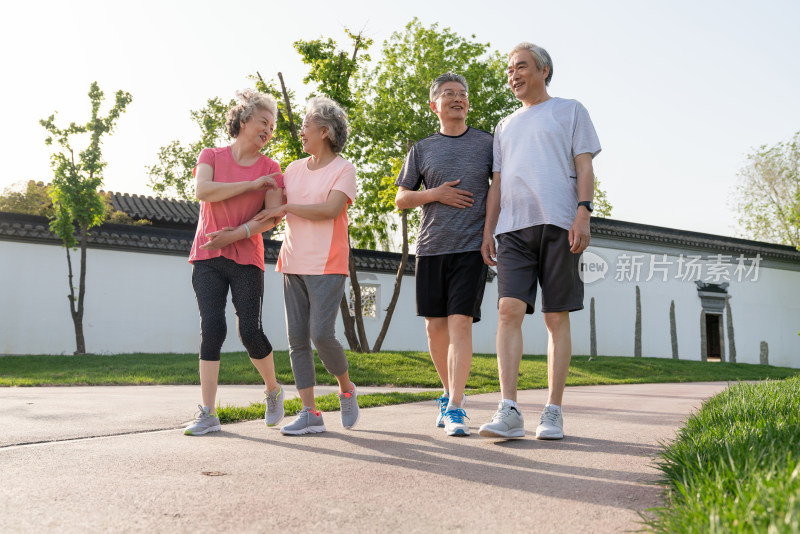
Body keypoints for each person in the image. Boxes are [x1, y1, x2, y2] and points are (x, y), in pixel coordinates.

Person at [203, 96, 360, 435]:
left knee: (321, 335)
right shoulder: (291, 169)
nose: (299, 132)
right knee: (297, 340)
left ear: (325, 131)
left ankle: (346, 388)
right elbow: (270, 208)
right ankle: (310, 411)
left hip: (327, 264)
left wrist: (286, 210)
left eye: (305, 126)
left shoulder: (343, 169)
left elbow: (330, 210)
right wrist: (240, 228)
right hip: (292, 261)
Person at [478, 42, 601, 440]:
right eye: (509, 70)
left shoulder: (570, 110)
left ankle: (552, 410)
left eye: (521, 67)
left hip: (560, 222)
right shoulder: (504, 125)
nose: (513, 75)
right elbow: (496, 183)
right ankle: (510, 409)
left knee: (554, 316)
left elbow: (585, 165)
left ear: (543, 70)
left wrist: (583, 211)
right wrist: (488, 230)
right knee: (508, 310)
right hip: (513, 228)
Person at [184, 89, 287, 436]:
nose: (268, 131)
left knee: (250, 331)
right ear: (243, 120)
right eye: (264, 122)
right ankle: (208, 411)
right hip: (208, 257)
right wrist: (250, 184)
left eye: (272, 127)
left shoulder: (272, 168)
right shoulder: (211, 155)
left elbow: (272, 217)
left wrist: (238, 232)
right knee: (212, 327)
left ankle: (273, 390)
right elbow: (203, 191)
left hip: (245, 257)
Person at [395, 73, 492, 437]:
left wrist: (490, 234)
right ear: (434, 104)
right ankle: (448, 393)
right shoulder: (422, 149)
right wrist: (435, 194)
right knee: (435, 330)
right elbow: (401, 199)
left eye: (463, 94)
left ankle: (455, 405)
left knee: (460, 323)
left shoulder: (487, 143)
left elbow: (500, 188)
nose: (458, 99)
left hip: (471, 247)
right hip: (432, 247)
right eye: (449, 94)